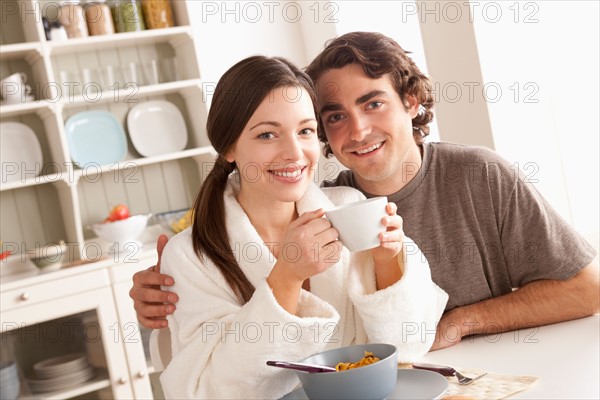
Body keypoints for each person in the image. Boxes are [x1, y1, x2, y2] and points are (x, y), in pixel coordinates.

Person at [131, 32, 599, 350]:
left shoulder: (479, 177)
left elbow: (585, 290)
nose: (356, 130)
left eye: (373, 103)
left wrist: (460, 321)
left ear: (411, 103)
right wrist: (167, 288)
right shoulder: (327, 208)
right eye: (334, 116)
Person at [153, 55, 447, 399]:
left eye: (305, 131)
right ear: (229, 146)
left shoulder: (349, 208)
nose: (294, 152)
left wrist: (388, 262)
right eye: (267, 135)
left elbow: (408, 345)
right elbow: (215, 391)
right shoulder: (191, 256)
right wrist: (286, 279)